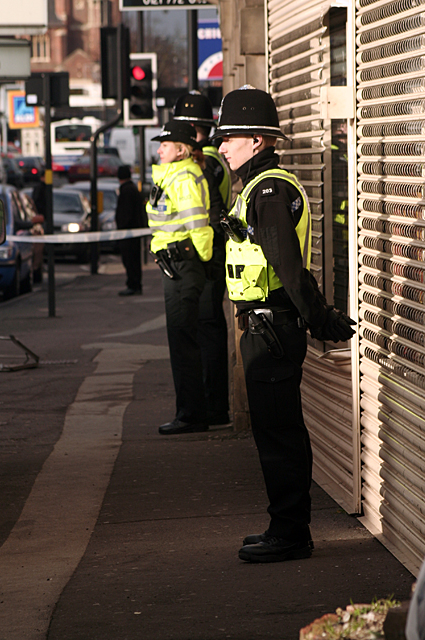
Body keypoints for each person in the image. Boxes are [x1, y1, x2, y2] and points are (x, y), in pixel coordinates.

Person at [213, 85, 355, 563]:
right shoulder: (255, 187)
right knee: (274, 431)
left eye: (229, 137)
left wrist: (321, 319)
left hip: (272, 330)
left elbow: (290, 270)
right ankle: (284, 525)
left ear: (257, 139)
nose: (221, 145)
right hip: (265, 328)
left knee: (280, 435)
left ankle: (291, 533)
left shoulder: (270, 190)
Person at [146, 120, 213, 435]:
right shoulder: (172, 174)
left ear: (181, 149)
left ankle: (191, 415)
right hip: (176, 265)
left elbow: (198, 224)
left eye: (165, 144)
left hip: (183, 265)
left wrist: (202, 258)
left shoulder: (183, 177)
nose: (159, 149)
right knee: (182, 340)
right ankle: (190, 412)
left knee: (183, 342)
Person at [173, 91, 232, 426]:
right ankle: (214, 404)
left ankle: (212, 406)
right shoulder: (213, 158)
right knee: (209, 328)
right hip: (212, 250)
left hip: (205, 254)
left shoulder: (203, 162)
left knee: (205, 329)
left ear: (193, 128)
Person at [116, 165, 146, 296]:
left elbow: (125, 213)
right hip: (134, 231)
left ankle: (133, 284)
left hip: (128, 232)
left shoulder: (126, 191)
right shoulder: (133, 188)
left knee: (130, 259)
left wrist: (121, 226)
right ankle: (135, 284)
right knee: (134, 259)